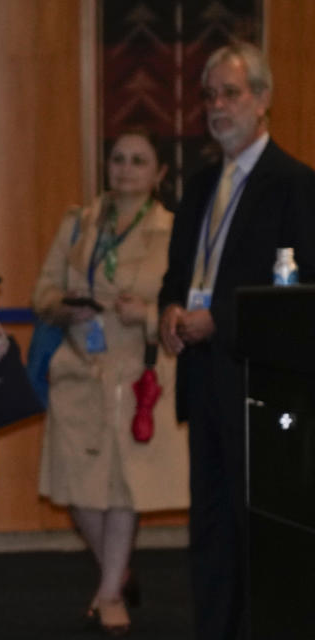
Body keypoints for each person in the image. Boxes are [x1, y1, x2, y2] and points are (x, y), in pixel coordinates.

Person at [158, 42, 315, 640]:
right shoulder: (198, 187)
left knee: (260, 532)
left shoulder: (293, 184)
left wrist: (220, 319)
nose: (218, 106)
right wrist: (170, 311)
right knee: (211, 531)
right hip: (204, 382)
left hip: (262, 390)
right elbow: (177, 276)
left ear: (264, 99)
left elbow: (302, 295)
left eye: (232, 93)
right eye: (210, 95)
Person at [33, 128, 189, 635]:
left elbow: (187, 309)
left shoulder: (176, 230)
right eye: (118, 159)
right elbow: (43, 291)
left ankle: (108, 594)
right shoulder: (80, 223)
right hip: (79, 370)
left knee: (124, 488)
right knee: (78, 491)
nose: (125, 169)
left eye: (139, 161)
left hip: (138, 372)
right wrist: (63, 308)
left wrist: (146, 314)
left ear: (160, 172)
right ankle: (118, 569)